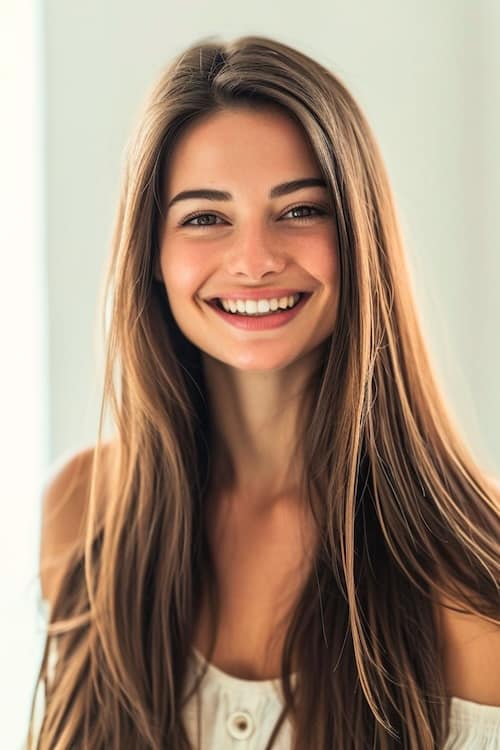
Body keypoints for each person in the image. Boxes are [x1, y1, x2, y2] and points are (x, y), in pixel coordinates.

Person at [26, 34, 500, 749]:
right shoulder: (82, 513)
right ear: (151, 254)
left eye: (301, 210)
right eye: (205, 218)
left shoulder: (471, 571)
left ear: (358, 236)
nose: (254, 261)